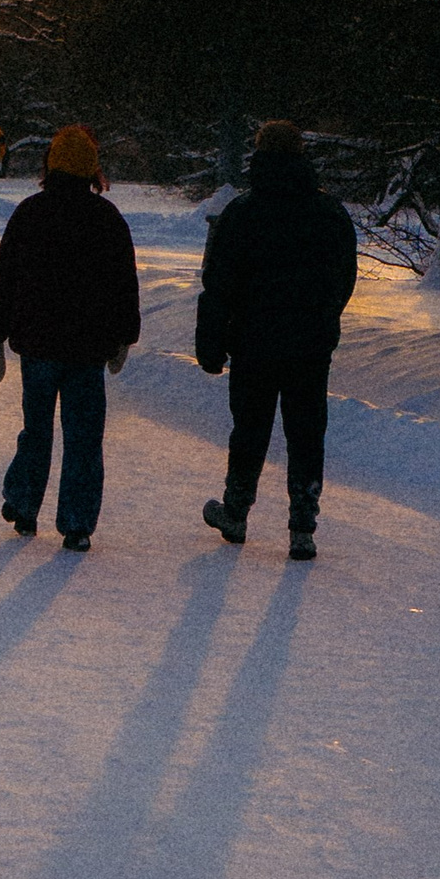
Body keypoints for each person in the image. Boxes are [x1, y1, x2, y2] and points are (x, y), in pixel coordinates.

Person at [193, 117, 359, 560]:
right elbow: (344, 278)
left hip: (253, 342)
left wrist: (211, 343)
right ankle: (303, 525)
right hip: (309, 344)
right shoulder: (329, 214)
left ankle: (237, 510)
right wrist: (324, 319)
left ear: (259, 154)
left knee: (249, 428)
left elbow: (219, 283)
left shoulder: (242, 213)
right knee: (306, 431)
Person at [0, 125, 139, 551]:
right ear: (91, 169)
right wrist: (125, 335)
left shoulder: (30, 213)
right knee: (84, 436)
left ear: (50, 165)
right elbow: (124, 283)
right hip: (87, 350)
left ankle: (24, 505)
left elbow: (5, 278)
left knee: (37, 428)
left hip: (39, 346)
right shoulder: (107, 220)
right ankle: (77, 522)